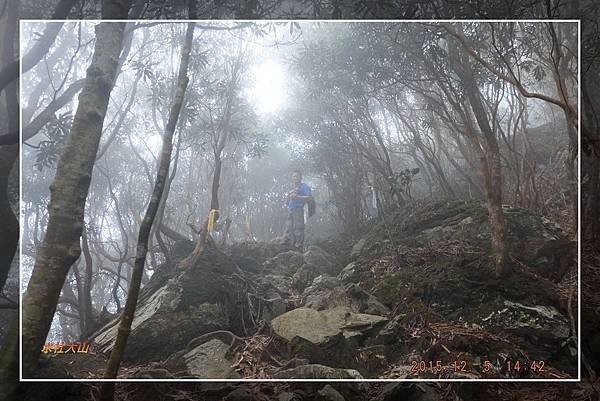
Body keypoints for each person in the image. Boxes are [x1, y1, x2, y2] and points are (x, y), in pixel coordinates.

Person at [284, 170, 312, 250]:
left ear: (301, 178)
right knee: (289, 227)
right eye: (293, 176)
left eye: (296, 176)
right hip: (291, 209)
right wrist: (288, 197)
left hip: (299, 209)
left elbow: (309, 197)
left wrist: (297, 197)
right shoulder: (292, 189)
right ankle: (291, 246)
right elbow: (287, 202)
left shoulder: (304, 186)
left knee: (298, 227)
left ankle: (299, 246)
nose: (295, 178)